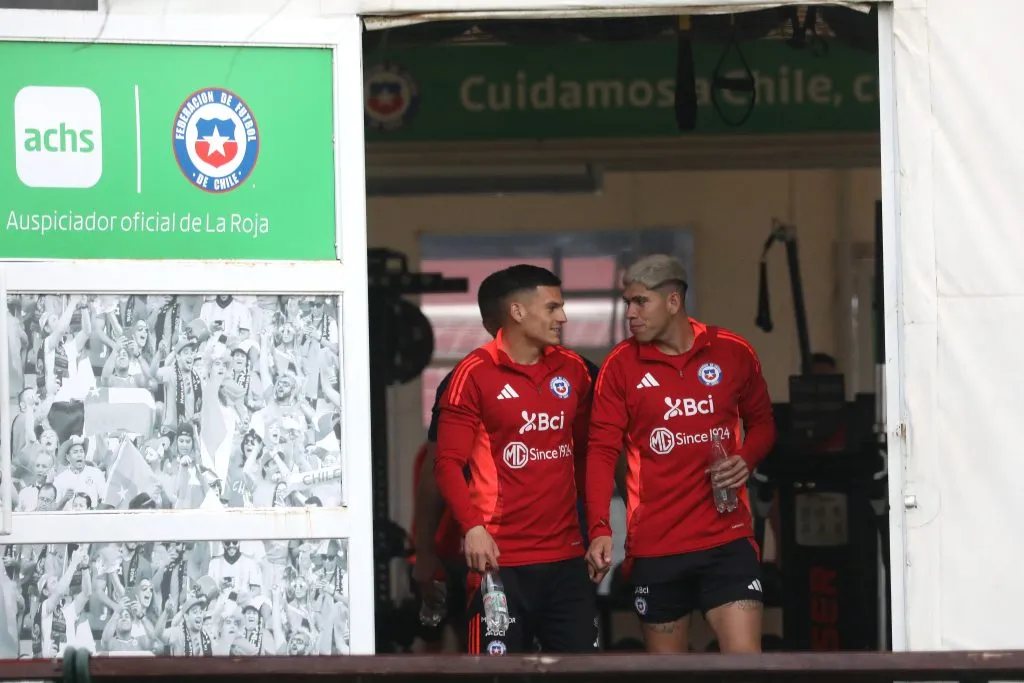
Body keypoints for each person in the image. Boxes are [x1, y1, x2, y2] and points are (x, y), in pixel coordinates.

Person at [584, 254, 776, 654]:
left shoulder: (732, 351)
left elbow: (764, 425)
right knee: (669, 673)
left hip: (727, 538)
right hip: (656, 546)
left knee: (747, 665)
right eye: (627, 304)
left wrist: (747, 458)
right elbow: (601, 451)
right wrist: (601, 527)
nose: (631, 314)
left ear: (673, 301)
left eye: (641, 302)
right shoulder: (619, 366)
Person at [435, 265, 598, 655]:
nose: (563, 317)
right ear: (518, 312)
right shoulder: (472, 373)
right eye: (553, 307)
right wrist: (472, 528)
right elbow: (446, 464)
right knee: (495, 674)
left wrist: (600, 527)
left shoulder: (574, 370)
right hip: (499, 562)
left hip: (566, 559)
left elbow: (589, 457)